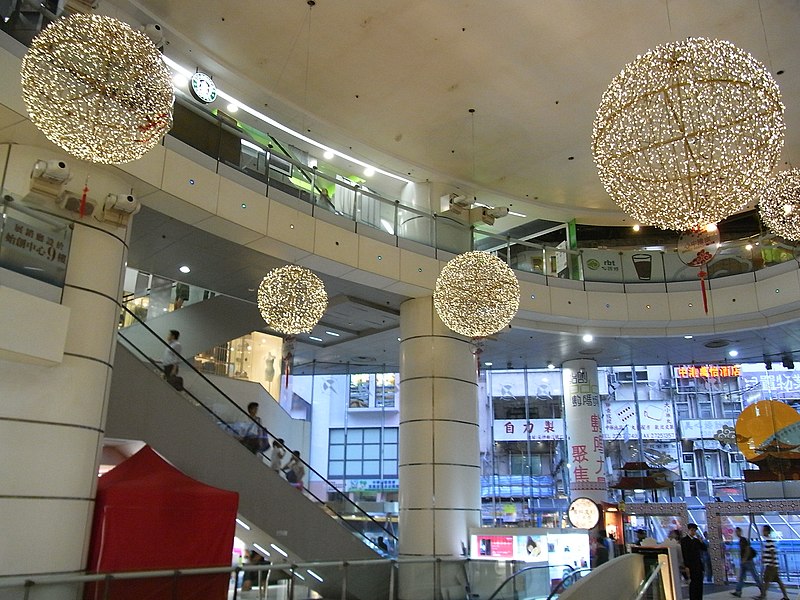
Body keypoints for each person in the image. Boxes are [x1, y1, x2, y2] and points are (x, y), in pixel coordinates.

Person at [757, 525, 789, 600]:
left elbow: (772, 552)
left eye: (764, 530)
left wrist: (772, 563)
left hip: (771, 565)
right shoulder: (769, 540)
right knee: (777, 581)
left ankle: (763, 596)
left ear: (768, 531)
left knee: (767, 580)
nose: (763, 532)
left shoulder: (769, 541)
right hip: (773, 564)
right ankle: (785, 596)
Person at [680, 523, 707, 600]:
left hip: (698, 565)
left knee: (699, 584)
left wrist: (701, 541)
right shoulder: (684, 541)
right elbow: (685, 554)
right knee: (693, 584)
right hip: (691, 566)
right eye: (692, 530)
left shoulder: (696, 540)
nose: (693, 532)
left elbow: (704, 548)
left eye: (694, 531)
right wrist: (686, 566)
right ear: (689, 530)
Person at [731, 526, 760, 597]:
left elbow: (747, 549)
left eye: (737, 531)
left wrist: (744, 559)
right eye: (736, 532)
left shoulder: (743, 540)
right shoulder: (741, 540)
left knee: (755, 576)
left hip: (747, 561)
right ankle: (738, 591)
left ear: (740, 532)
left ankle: (762, 590)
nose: (736, 533)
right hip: (745, 561)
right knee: (741, 577)